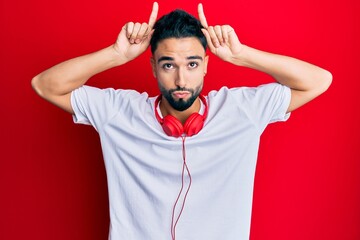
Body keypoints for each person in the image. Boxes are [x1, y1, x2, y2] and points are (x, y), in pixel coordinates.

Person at [31, 2, 332, 240]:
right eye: (168, 65)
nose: (180, 79)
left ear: (206, 66)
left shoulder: (242, 110)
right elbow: (44, 85)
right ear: (153, 67)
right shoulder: (118, 112)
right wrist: (116, 54)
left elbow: (319, 80)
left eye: (191, 64)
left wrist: (242, 56)